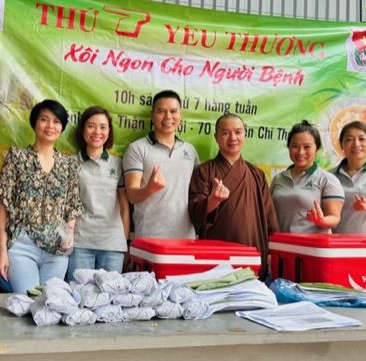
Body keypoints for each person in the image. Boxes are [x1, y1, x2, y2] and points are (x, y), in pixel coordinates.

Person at [0, 99, 84, 292]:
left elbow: (72, 206)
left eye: (56, 121)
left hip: (57, 250)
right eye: (44, 119)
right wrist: (2, 250)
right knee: (28, 302)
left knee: (51, 303)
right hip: (22, 246)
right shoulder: (17, 157)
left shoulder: (68, 164)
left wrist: (68, 235)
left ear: (62, 128)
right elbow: (3, 204)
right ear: (34, 123)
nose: (50, 126)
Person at [188, 113, 279, 279]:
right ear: (216, 137)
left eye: (238, 132)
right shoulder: (204, 171)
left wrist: (274, 251)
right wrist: (213, 201)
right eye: (225, 133)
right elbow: (194, 213)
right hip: (217, 254)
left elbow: (269, 216)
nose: (233, 138)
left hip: (253, 251)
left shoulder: (256, 174)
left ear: (245, 134)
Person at [122, 90, 199, 239]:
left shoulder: (190, 151)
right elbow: (132, 195)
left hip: (186, 238)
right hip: (149, 237)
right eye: (161, 111)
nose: (168, 117)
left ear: (180, 115)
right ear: (152, 115)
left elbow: (196, 195)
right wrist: (149, 188)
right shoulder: (137, 148)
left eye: (173, 111)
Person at [66, 106, 130, 279]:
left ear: (109, 131)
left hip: (112, 244)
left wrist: (124, 244)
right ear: (82, 129)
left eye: (103, 127)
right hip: (80, 242)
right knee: (79, 291)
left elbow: (124, 208)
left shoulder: (118, 164)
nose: (97, 132)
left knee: (111, 293)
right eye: (91, 126)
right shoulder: (70, 163)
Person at [271, 121, 344, 233]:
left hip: (312, 243)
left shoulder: (327, 180)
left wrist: (321, 220)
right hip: (280, 241)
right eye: (295, 146)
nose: (301, 152)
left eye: (307, 147)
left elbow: (334, 218)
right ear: (289, 147)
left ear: (317, 149)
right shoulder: (278, 179)